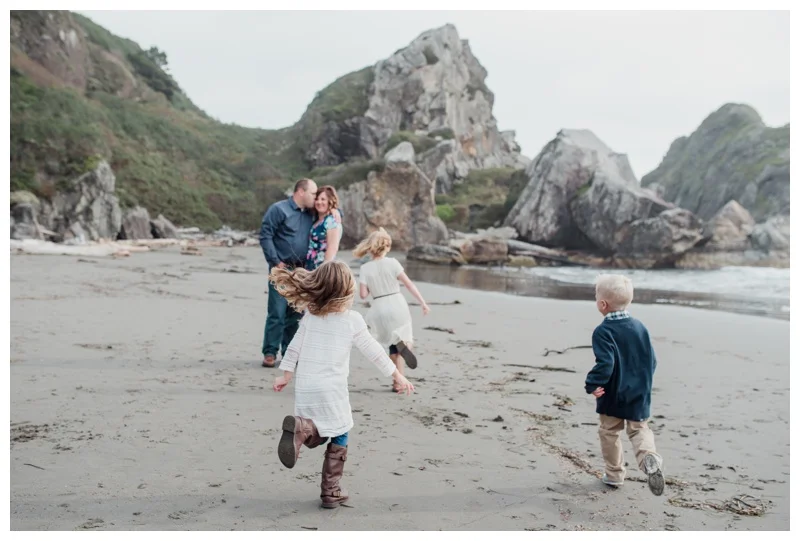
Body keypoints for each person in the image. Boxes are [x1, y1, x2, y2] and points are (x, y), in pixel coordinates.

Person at [270, 260, 414, 509]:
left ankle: (302, 429)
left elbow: (294, 346)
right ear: (347, 291)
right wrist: (397, 375)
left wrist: (285, 374)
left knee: (320, 427)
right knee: (341, 429)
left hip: (306, 386)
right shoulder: (352, 320)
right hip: (332, 389)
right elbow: (374, 352)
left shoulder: (310, 317)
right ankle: (331, 490)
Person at [584, 274, 665, 496]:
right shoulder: (640, 327)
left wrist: (592, 384)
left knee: (609, 431)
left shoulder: (603, 331)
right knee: (639, 429)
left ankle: (614, 474)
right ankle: (649, 457)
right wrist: (644, 382)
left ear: (602, 304)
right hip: (640, 392)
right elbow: (653, 360)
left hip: (613, 394)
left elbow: (606, 363)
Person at [353, 228, 430, 392]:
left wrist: (371, 286)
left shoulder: (365, 268)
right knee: (403, 337)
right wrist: (423, 302)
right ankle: (407, 347)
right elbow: (409, 284)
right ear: (387, 246)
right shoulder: (393, 263)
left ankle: (397, 382)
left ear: (371, 247)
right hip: (396, 303)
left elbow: (363, 295)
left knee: (391, 345)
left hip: (379, 308)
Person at [258, 179, 318, 368]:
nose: (315, 198)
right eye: (313, 193)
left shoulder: (311, 214)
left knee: (295, 313)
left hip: (303, 270)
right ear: (301, 192)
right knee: (277, 310)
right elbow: (265, 235)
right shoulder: (279, 209)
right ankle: (270, 352)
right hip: (281, 268)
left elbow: (332, 214)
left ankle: (289, 353)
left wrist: (336, 213)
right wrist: (276, 262)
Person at [305, 185, 342, 271]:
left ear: (330, 201)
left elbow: (332, 248)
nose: (319, 202)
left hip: (321, 270)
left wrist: (324, 272)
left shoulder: (332, 221)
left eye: (323, 199)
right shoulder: (316, 220)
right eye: (317, 199)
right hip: (310, 268)